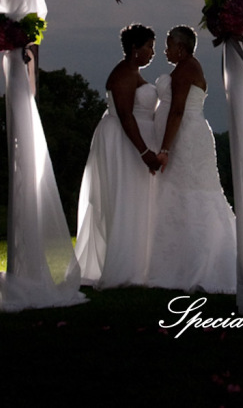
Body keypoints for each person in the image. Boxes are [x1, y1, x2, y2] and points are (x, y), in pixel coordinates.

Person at [147, 25, 237, 293]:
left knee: (193, 193)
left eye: (168, 45)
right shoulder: (187, 67)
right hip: (188, 136)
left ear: (181, 47)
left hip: (186, 138)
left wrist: (164, 149)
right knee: (182, 194)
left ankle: (202, 263)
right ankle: (181, 260)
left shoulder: (186, 69)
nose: (165, 50)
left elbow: (177, 112)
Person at [75, 24, 162, 288]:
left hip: (129, 140)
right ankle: (124, 267)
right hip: (124, 142)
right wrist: (144, 151)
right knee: (125, 197)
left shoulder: (132, 71)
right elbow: (125, 115)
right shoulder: (124, 73)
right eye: (149, 47)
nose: (153, 53)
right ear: (135, 49)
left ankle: (137, 263)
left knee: (132, 198)